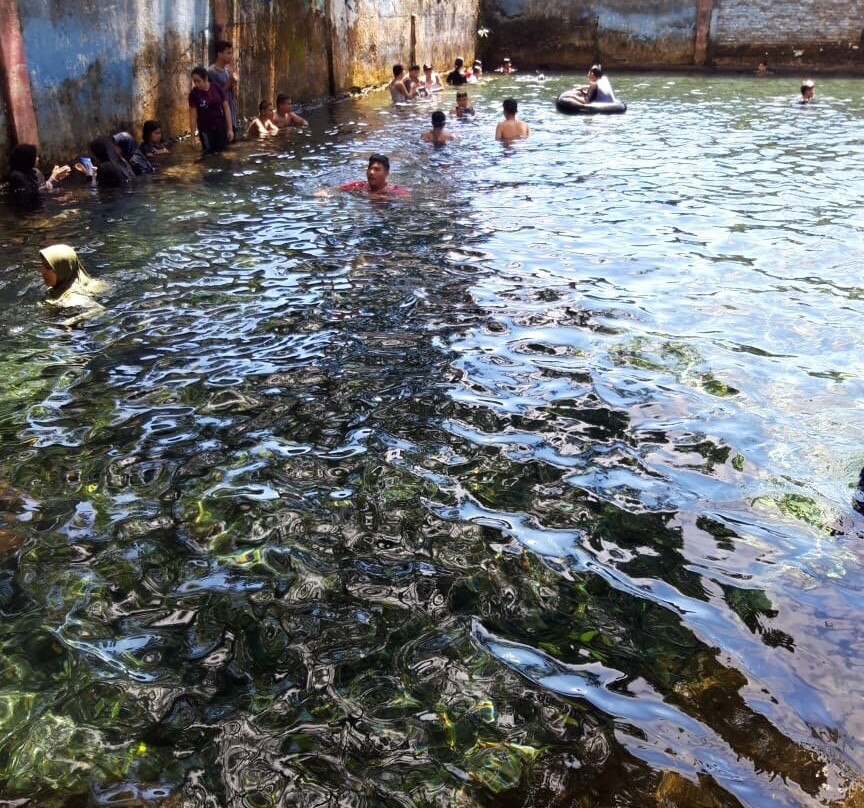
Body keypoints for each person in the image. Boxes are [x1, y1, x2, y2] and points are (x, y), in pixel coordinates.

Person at [39, 244, 105, 311]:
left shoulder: (73, 297)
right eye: (42, 265)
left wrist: (70, 321)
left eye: (48, 267)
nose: (42, 271)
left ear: (63, 270)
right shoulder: (58, 287)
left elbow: (98, 309)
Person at [188, 66, 234, 154]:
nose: (196, 84)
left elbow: (226, 108)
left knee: (222, 153)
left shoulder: (216, 88)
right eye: (194, 81)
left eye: (198, 81)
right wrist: (192, 137)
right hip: (205, 129)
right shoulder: (194, 94)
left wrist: (230, 129)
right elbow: (193, 116)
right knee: (209, 154)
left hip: (220, 126)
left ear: (205, 78)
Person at [338, 154, 409, 198]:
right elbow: (335, 189)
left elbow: (407, 199)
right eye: (370, 168)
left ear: (386, 173)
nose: (371, 172)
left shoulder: (394, 190)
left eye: (377, 169)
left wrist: (381, 198)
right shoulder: (359, 186)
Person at [208, 40, 238, 131]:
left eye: (231, 53)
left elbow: (231, 93)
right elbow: (216, 94)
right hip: (220, 116)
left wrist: (233, 83)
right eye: (228, 53)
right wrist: (230, 81)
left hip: (231, 114)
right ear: (220, 54)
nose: (231, 56)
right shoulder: (211, 72)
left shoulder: (227, 70)